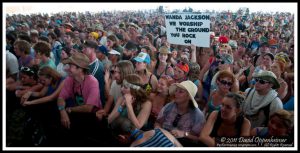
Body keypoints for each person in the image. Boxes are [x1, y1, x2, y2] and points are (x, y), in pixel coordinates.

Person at [155, 80, 206, 146]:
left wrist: (184, 134)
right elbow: (158, 123)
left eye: (180, 92)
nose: (176, 93)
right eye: (176, 90)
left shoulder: (197, 115)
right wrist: (159, 130)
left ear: (188, 97)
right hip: (162, 138)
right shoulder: (169, 106)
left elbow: (198, 138)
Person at [108, 74, 152, 146]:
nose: (121, 89)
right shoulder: (122, 98)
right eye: (122, 86)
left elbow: (138, 126)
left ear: (133, 89)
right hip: (118, 133)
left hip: (137, 138)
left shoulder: (146, 103)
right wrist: (122, 106)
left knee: (125, 123)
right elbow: (109, 120)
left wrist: (129, 105)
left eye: (125, 87)